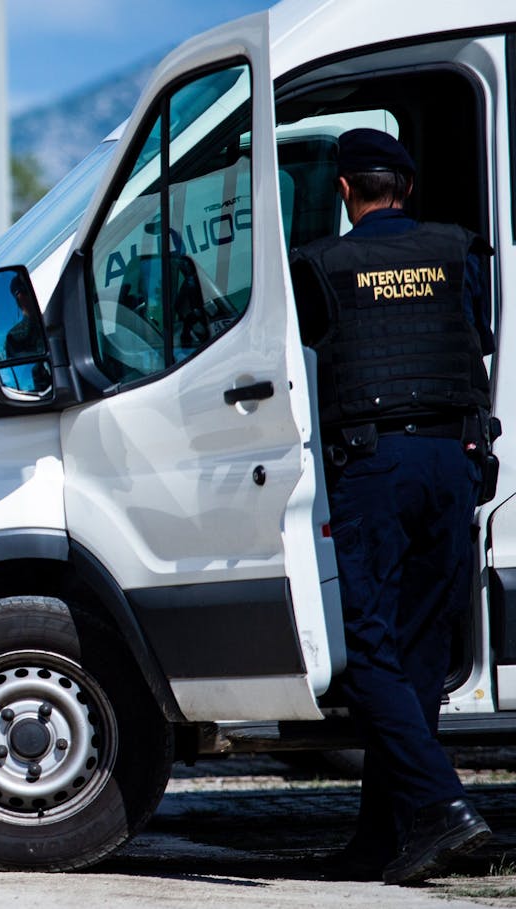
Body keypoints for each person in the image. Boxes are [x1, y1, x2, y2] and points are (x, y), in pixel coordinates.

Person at [290, 128, 495, 884]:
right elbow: (476, 337)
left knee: (366, 649)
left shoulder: (323, 265)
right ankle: (391, 836)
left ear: (345, 190)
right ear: (406, 187)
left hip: (374, 463)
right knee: (419, 652)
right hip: (455, 457)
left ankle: (441, 806)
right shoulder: (457, 250)